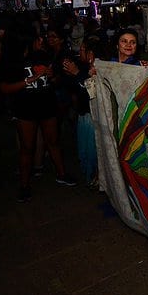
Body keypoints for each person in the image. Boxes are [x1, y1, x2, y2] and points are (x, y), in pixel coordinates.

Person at [0, 24, 75, 202]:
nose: (41, 40)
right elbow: (4, 88)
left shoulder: (42, 54)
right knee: (27, 147)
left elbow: (56, 79)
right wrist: (30, 79)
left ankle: (61, 174)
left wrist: (51, 75)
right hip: (25, 107)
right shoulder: (12, 60)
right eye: (38, 38)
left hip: (47, 104)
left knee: (53, 141)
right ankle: (24, 185)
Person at [62, 37, 104, 189]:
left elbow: (91, 92)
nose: (79, 53)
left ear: (91, 53)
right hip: (84, 116)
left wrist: (77, 73)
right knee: (86, 152)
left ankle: (98, 178)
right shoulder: (85, 67)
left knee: (94, 152)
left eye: (81, 50)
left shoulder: (99, 69)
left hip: (92, 118)